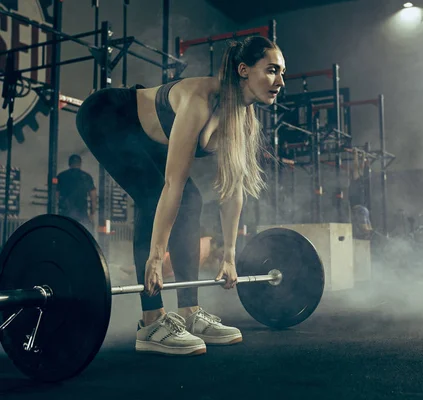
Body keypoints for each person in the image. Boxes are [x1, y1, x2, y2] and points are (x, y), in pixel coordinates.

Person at [75, 36, 285, 355]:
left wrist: (229, 256)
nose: (280, 81)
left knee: (193, 201)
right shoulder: (200, 101)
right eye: (271, 70)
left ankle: (189, 312)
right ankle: (151, 322)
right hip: (108, 115)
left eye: (282, 72)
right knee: (156, 194)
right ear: (243, 70)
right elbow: (173, 184)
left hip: (145, 136)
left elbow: (233, 191)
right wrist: (156, 258)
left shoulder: (242, 120)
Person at [56, 154, 97, 233]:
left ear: (69, 163)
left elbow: (56, 196)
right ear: (80, 164)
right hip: (82, 214)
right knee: (85, 234)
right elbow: (93, 197)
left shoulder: (61, 176)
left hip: (65, 214)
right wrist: (92, 213)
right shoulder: (86, 177)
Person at [348, 148, 373, 239]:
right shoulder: (357, 181)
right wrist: (360, 156)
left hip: (362, 208)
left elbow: (358, 167)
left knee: (367, 226)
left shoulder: (356, 181)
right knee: (366, 226)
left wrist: (361, 156)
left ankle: (367, 233)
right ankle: (366, 233)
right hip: (360, 208)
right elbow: (357, 167)